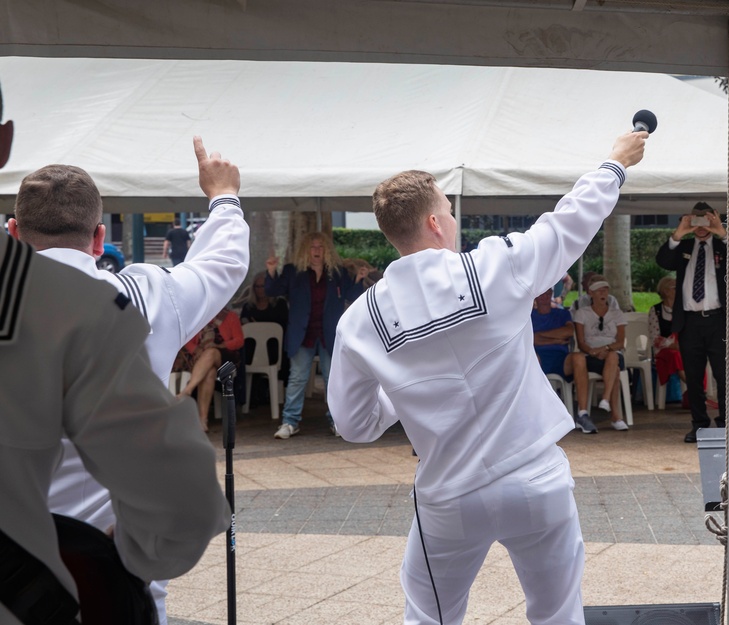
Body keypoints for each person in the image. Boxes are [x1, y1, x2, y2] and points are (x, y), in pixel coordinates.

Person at [327, 130, 646, 624]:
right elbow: (570, 221)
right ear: (435, 222)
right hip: (535, 478)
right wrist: (615, 164)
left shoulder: (358, 321)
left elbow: (353, 425)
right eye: (450, 214)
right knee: (558, 615)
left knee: (430, 618)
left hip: (449, 493)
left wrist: (402, 395)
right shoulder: (497, 266)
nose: (453, 222)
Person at [8, 136, 249, 625]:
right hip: (115, 575)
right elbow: (222, 263)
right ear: (99, 239)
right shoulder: (147, 297)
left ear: (13, 233)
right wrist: (223, 196)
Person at [265, 233, 368, 439]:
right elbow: (272, 290)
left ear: (327, 250)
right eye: (312, 247)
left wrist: (358, 279)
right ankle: (290, 422)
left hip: (329, 333)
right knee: (297, 378)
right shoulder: (293, 272)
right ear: (306, 250)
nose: (317, 250)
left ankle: (337, 421)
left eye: (320, 246)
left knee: (334, 380)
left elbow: (352, 296)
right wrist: (271, 270)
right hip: (302, 334)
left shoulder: (337, 273)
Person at [655, 202, 727, 443]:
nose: (701, 226)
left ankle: (727, 423)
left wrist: (722, 233)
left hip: (717, 320)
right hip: (690, 322)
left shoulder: (723, 244)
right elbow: (663, 260)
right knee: (694, 377)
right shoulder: (684, 245)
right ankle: (699, 424)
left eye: (706, 220)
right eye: (696, 221)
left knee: (723, 374)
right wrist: (679, 232)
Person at [532, 287, 594, 433]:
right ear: (535, 297)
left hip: (561, 359)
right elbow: (531, 339)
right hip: (538, 358)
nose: (544, 297)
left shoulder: (562, 314)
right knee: (533, 357)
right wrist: (556, 338)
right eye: (541, 294)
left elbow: (568, 332)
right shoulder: (529, 316)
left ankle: (583, 414)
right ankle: (537, 415)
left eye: (547, 293)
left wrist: (541, 336)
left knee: (578, 357)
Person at [573, 275, 629, 431]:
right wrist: (594, 352)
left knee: (613, 357)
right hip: (591, 355)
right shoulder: (582, 313)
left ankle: (605, 398)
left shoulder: (616, 313)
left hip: (612, 352)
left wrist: (605, 349)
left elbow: (620, 341)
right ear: (591, 293)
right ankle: (615, 416)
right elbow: (581, 342)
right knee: (614, 370)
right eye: (599, 290)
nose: (603, 293)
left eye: (605, 290)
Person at [178, 307, 245, 431]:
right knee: (210, 373)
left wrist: (222, 345)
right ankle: (202, 420)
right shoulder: (198, 317)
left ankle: (188, 389)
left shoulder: (230, 316)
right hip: (201, 359)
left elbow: (239, 340)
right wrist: (196, 350)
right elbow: (187, 340)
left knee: (211, 352)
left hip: (225, 357)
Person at [647, 276, 685, 388]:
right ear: (666, 291)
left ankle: (695, 389)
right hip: (664, 350)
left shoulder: (684, 309)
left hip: (682, 347)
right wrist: (672, 345)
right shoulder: (656, 310)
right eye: (675, 287)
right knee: (675, 355)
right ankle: (694, 387)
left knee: (694, 355)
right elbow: (655, 338)